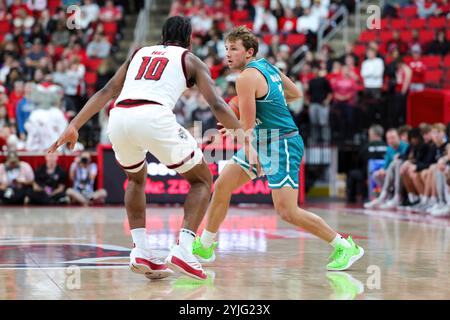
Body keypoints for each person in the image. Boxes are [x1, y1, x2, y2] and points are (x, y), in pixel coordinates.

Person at [48, 16, 242, 280]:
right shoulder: (189, 58)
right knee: (202, 180)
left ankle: (141, 250)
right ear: (189, 39)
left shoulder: (139, 53)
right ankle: (184, 250)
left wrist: (74, 124)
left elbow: (106, 91)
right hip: (153, 116)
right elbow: (218, 105)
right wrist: (244, 132)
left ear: (163, 36)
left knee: (136, 179)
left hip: (119, 117)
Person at [192, 26, 364, 272]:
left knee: (287, 211)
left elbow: (247, 127)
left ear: (249, 52)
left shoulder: (246, 78)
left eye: (234, 49)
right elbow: (295, 93)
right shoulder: (269, 67)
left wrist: (233, 128)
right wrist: (269, 108)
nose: (228, 54)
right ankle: (206, 245)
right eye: (226, 49)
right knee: (222, 186)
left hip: (280, 142)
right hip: (267, 139)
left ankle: (345, 246)